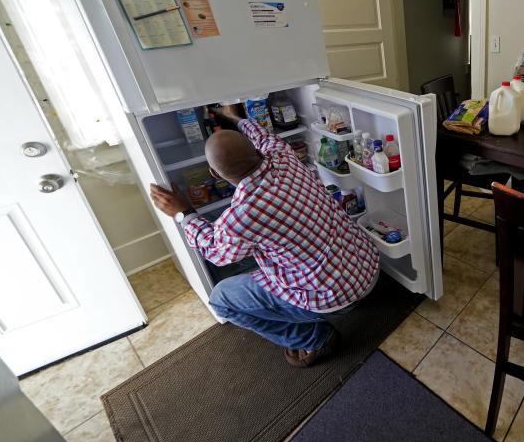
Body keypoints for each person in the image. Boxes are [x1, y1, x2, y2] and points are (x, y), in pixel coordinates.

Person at [149, 104, 379, 367]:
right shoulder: (284, 157)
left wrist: (184, 213)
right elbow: (264, 136)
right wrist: (236, 117)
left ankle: (314, 337)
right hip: (368, 268)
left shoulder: (240, 217)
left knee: (221, 299)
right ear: (257, 151)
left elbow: (216, 253)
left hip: (333, 298)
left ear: (215, 174)